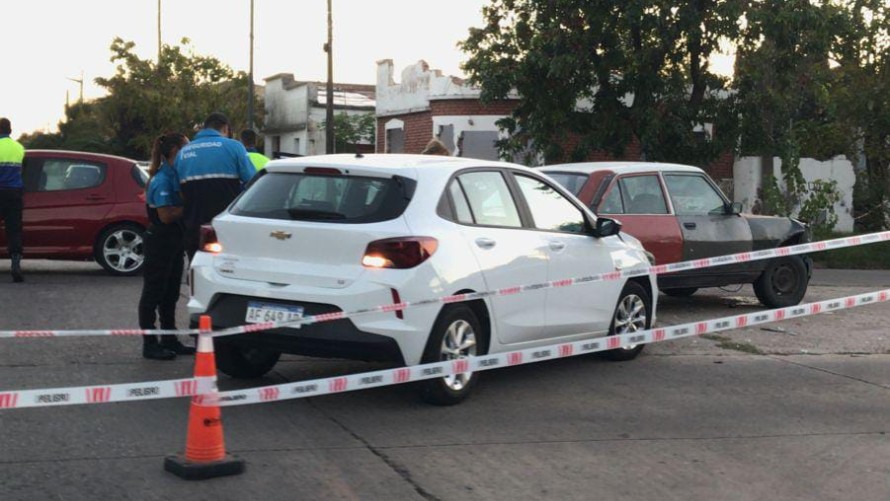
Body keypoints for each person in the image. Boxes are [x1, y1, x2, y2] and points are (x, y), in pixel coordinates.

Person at [139, 132, 195, 360]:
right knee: (153, 293)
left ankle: (169, 339)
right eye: (186, 148)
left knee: (171, 293)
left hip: (173, 241)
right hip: (160, 240)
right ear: (174, 152)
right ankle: (150, 344)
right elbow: (165, 216)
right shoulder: (162, 179)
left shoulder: (176, 175)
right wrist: (192, 204)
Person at [175, 112, 256, 260]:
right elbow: (252, 182)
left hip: (195, 228)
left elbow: (179, 192)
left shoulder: (183, 153)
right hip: (227, 226)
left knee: (198, 271)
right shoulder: (234, 147)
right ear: (225, 128)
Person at [0, 118, 25, 283]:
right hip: (14, 193)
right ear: (10, 130)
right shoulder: (19, 148)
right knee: (14, 229)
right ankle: (15, 263)